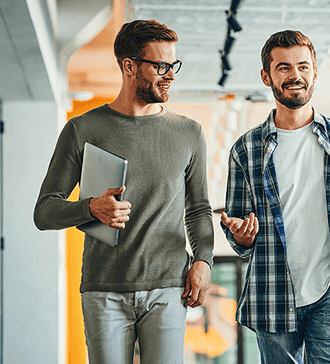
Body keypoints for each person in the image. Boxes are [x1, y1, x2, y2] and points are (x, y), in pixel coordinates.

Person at [33, 19, 214, 364]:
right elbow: (44, 211)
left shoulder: (189, 133)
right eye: (161, 65)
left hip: (168, 287)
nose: (171, 74)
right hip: (104, 291)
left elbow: (199, 209)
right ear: (129, 66)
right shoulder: (83, 129)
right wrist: (90, 208)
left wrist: (203, 259)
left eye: (173, 64)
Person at [220, 30, 330, 364]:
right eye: (284, 68)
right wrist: (241, 236)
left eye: (303, 66)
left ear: (315, 72)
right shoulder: (246, 150)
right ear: (267, 76)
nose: (295, 75)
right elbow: (238, 232)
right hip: (272, 289)